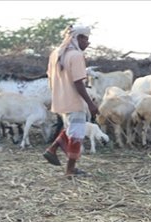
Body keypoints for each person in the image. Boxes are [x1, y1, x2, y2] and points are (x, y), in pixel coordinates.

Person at [42, 24, 100, 178]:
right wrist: (90, 103)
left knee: (71, 129)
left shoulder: (56, 54)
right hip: (74, 101)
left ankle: (53, 149)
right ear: (78, 38)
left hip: (60, 100)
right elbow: (78, 82)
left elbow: (50, 77)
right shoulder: (76, 56)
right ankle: (70, 170)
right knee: (77, 134)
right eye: (86, 39)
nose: (87, 43)